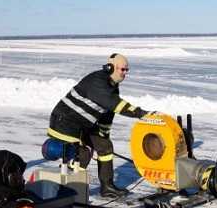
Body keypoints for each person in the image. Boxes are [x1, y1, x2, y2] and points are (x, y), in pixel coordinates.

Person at [46, 53, 151, 198]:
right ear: (110, 67)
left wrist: (103, 135)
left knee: (105, 146)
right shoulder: (98, 81)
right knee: (81, 153)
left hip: (84, 124)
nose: (125, 73)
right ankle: (67, 189)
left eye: (127, 70)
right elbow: (115, 104)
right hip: (65, 122)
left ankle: (107, 187)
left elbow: (107, 114)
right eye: (122, 69)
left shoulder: (112, 86)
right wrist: (141, 113)